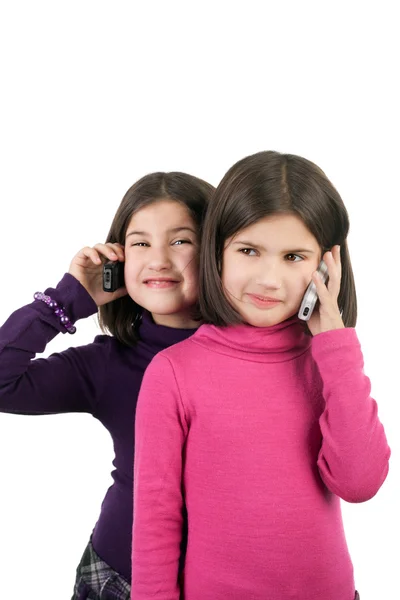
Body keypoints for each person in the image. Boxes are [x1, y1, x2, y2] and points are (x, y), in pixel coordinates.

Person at [131, 151, 391, 600]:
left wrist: (336, 345)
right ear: (218, 251)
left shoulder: (329, 363)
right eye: (249, 251)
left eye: (294, 256)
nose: (269, 279)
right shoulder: (174, 372)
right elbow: (156, 521)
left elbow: (361, 482)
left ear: (328, 265)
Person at [0, 171, 214, 599]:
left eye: (180, 241)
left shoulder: (259, 353)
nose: (158, 260)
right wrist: (68, 298)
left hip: (235, 578)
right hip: (120, 576)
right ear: (119, 260)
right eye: (140, 243)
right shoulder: (107, 363)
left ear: (215, 250)